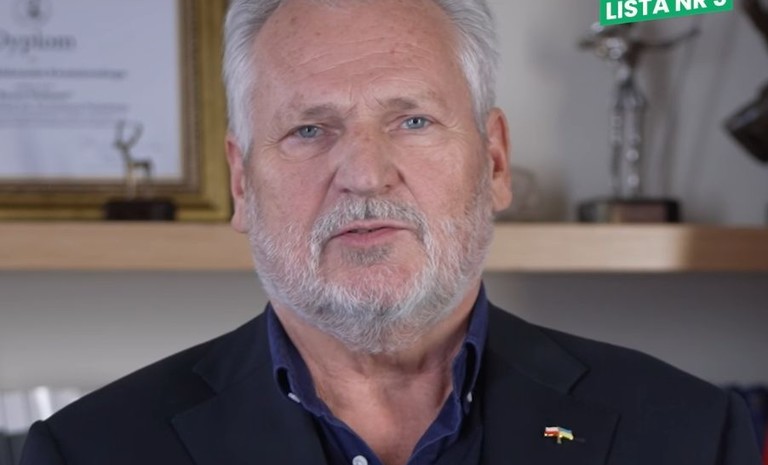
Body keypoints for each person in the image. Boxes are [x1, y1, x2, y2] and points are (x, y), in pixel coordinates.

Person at [20, 0, 762, 464]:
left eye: (412, 120)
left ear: (495, 162)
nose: (365, 174)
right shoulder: (87, 451)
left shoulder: (692, 435)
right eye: (309, 129)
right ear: (242, 182)